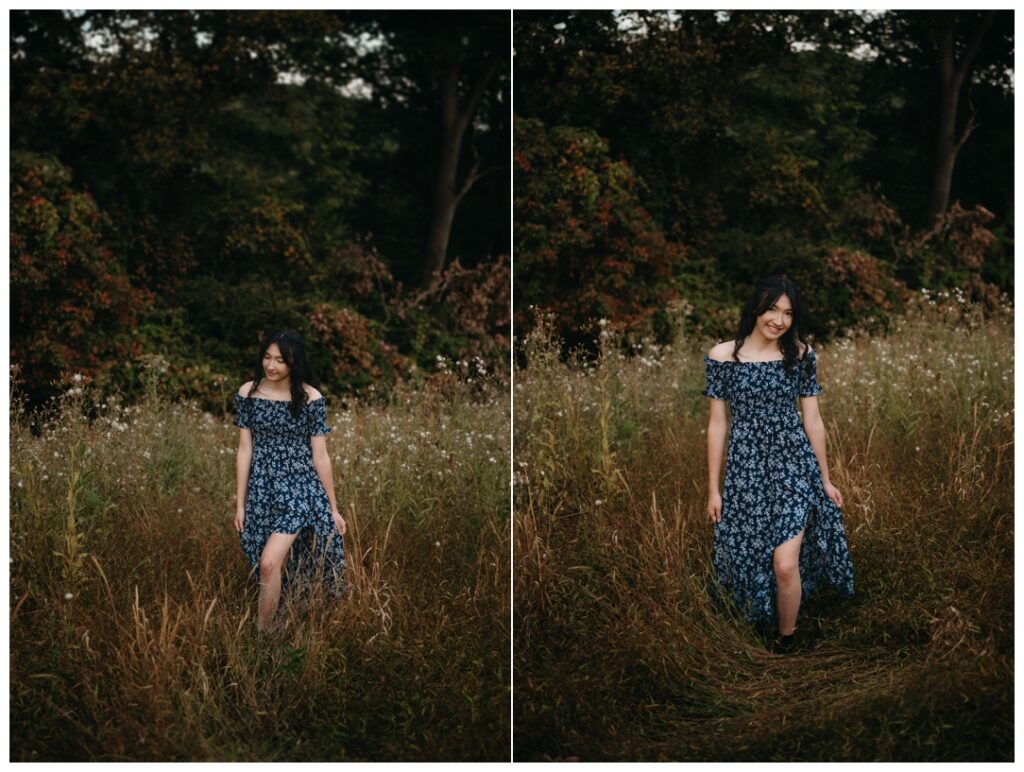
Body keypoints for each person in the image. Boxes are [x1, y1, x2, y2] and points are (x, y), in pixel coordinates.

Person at [702, 276, 854, 654]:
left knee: (785, 564)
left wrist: (825, 478)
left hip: (793, 467)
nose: (779, 319)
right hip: (746, 470)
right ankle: (756, 618)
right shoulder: (723, 357)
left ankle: (787, 640)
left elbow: (813, 421)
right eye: (772, 308)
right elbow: (718, 424)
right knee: (752, 551)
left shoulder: (800, 355)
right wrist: (713, 488)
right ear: (756, 307)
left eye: (788, 312)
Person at [233, 329, 347, 632]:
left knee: (269, 562)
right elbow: (245, 450)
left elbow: (320, 457)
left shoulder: (311, 398)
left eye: (280, 360)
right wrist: (240, 505)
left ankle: (261, 631)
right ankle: (280, 623)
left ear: (293, 363)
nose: (271, 366)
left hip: (300, 491)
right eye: (267, 358)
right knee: (274, 565)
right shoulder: (248, 393)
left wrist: (333, 508)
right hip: (262, 489)